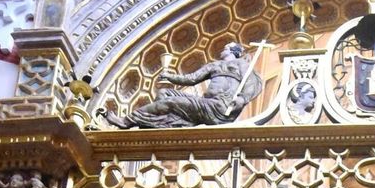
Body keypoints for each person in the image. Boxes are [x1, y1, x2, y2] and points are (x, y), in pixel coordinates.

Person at [104, 43, 262, 129]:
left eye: (226, 48)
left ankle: (126, 121)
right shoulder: (215, 65)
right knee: (165, 94)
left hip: (220, 107)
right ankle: (160, 125)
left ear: (233, 51)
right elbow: (192, 79)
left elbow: (254, 83)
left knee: (170, 103)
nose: (222, 49)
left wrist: (242, 99)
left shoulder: (243, 64)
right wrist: (170, 76)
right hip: (205, 102)